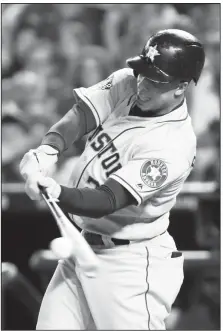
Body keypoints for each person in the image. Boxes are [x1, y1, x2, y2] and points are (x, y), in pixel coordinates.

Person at [20, 29, 205, 330]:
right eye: (144, 72)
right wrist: (48, 150)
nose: (143, 85)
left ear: (181, 87)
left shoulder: (173, 145)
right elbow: (82, 114)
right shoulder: (130, 82)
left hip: (130, 264)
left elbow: (108, 199)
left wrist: (56, 191)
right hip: (83, 249)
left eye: (156, 81)